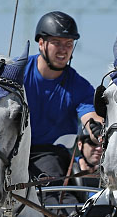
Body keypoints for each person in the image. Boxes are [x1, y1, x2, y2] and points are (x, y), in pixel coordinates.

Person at [23, 11, 104, 184]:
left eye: (69, 43)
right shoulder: (16, 73)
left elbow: (90, 117)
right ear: (41, 43)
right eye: (56, 43)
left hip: (49, 155)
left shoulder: (79, 86)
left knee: (55, 199)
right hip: (10, 150)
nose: (63, 49)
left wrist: (97, 130)